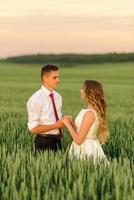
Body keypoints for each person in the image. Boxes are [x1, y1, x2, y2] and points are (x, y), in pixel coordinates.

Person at [62, 80, 109, 163]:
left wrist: (67, 125)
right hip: (87, 145)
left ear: (89, 93)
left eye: (83, 88)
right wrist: (72, 124)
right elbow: (81, 132)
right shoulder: (90, 111)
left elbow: (79, 140)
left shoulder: (89, 114)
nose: (80, 90)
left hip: (86, 149)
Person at [27, 64, 64, 152]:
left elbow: (56, 117)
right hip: (43, 142)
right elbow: (33, 128)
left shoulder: (58, 96)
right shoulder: (36, 99)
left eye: (58, 77)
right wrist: (56, 126)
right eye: (54, 77)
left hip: (58, 141)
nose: (58, 80)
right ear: (45, 78)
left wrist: (64, 121)